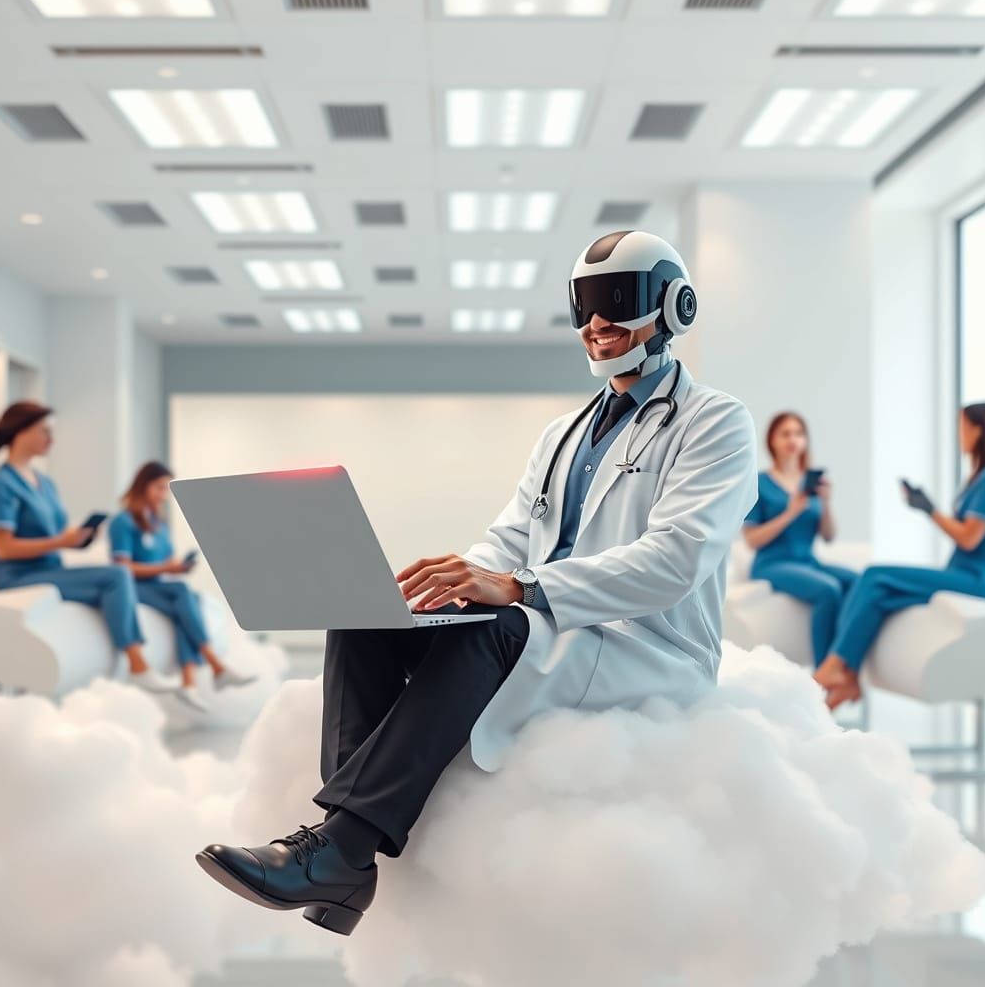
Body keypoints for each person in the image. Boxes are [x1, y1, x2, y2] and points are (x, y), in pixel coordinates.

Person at [195, 230, 757, 936]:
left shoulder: (716, 423)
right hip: (555, 626)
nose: (596, 323)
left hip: (644, 647)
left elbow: (677, 558)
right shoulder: (563, 432)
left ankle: (341, 851)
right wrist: (448, 587)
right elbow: (511, 537)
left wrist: (518, 590)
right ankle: (342, 850)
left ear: (674, 306)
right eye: (584, 304)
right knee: (365, 616)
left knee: (500, 625)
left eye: (618, 301)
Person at [0, 402, 175, 693]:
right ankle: (137, 664)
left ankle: (120, 664)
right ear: (21, 433)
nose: (51, 439)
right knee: (117, 575)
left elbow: (54, 535)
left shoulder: (44, 483)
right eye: (45, 431)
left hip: (51, 568)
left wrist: (78, 540)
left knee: (113, 580)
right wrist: (61, 542)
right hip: (18, 577)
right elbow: (4, 549)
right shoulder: (0, 485)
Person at [815, 403, 985, 708]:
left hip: (979, 581)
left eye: (962, 426)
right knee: (877, 593)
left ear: (978, 429)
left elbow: (970, 538)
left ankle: (837, 665)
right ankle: (848, 678)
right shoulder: (981, 476)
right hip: (966, 574)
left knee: (875, 575)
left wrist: (929, 510)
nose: (959, 434)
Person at [109, 461, 256, 714]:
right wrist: (167, 570)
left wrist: (177, 566)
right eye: (158, 488)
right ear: (142, 486)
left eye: (166, 489)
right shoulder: (122, 522)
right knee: (183, 594)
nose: (163, 495)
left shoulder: (158, 523)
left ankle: (190, 684)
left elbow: (164, 560)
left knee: (188, 603)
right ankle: (215, 665)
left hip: (158, 586)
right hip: (132, 588)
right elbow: (122, 570)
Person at [741, 412, 856, 665]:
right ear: (772, 440)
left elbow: (829, 536)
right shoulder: (759, 482)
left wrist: (825, 503)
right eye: (786, 433)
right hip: (772, 564)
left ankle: (847, 661)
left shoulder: (811, 485)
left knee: (857, 581)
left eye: (799, 433)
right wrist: (790, 513)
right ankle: (824, 670)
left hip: (808, 562)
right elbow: (752, 540)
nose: (793, 439)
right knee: (828, 590)